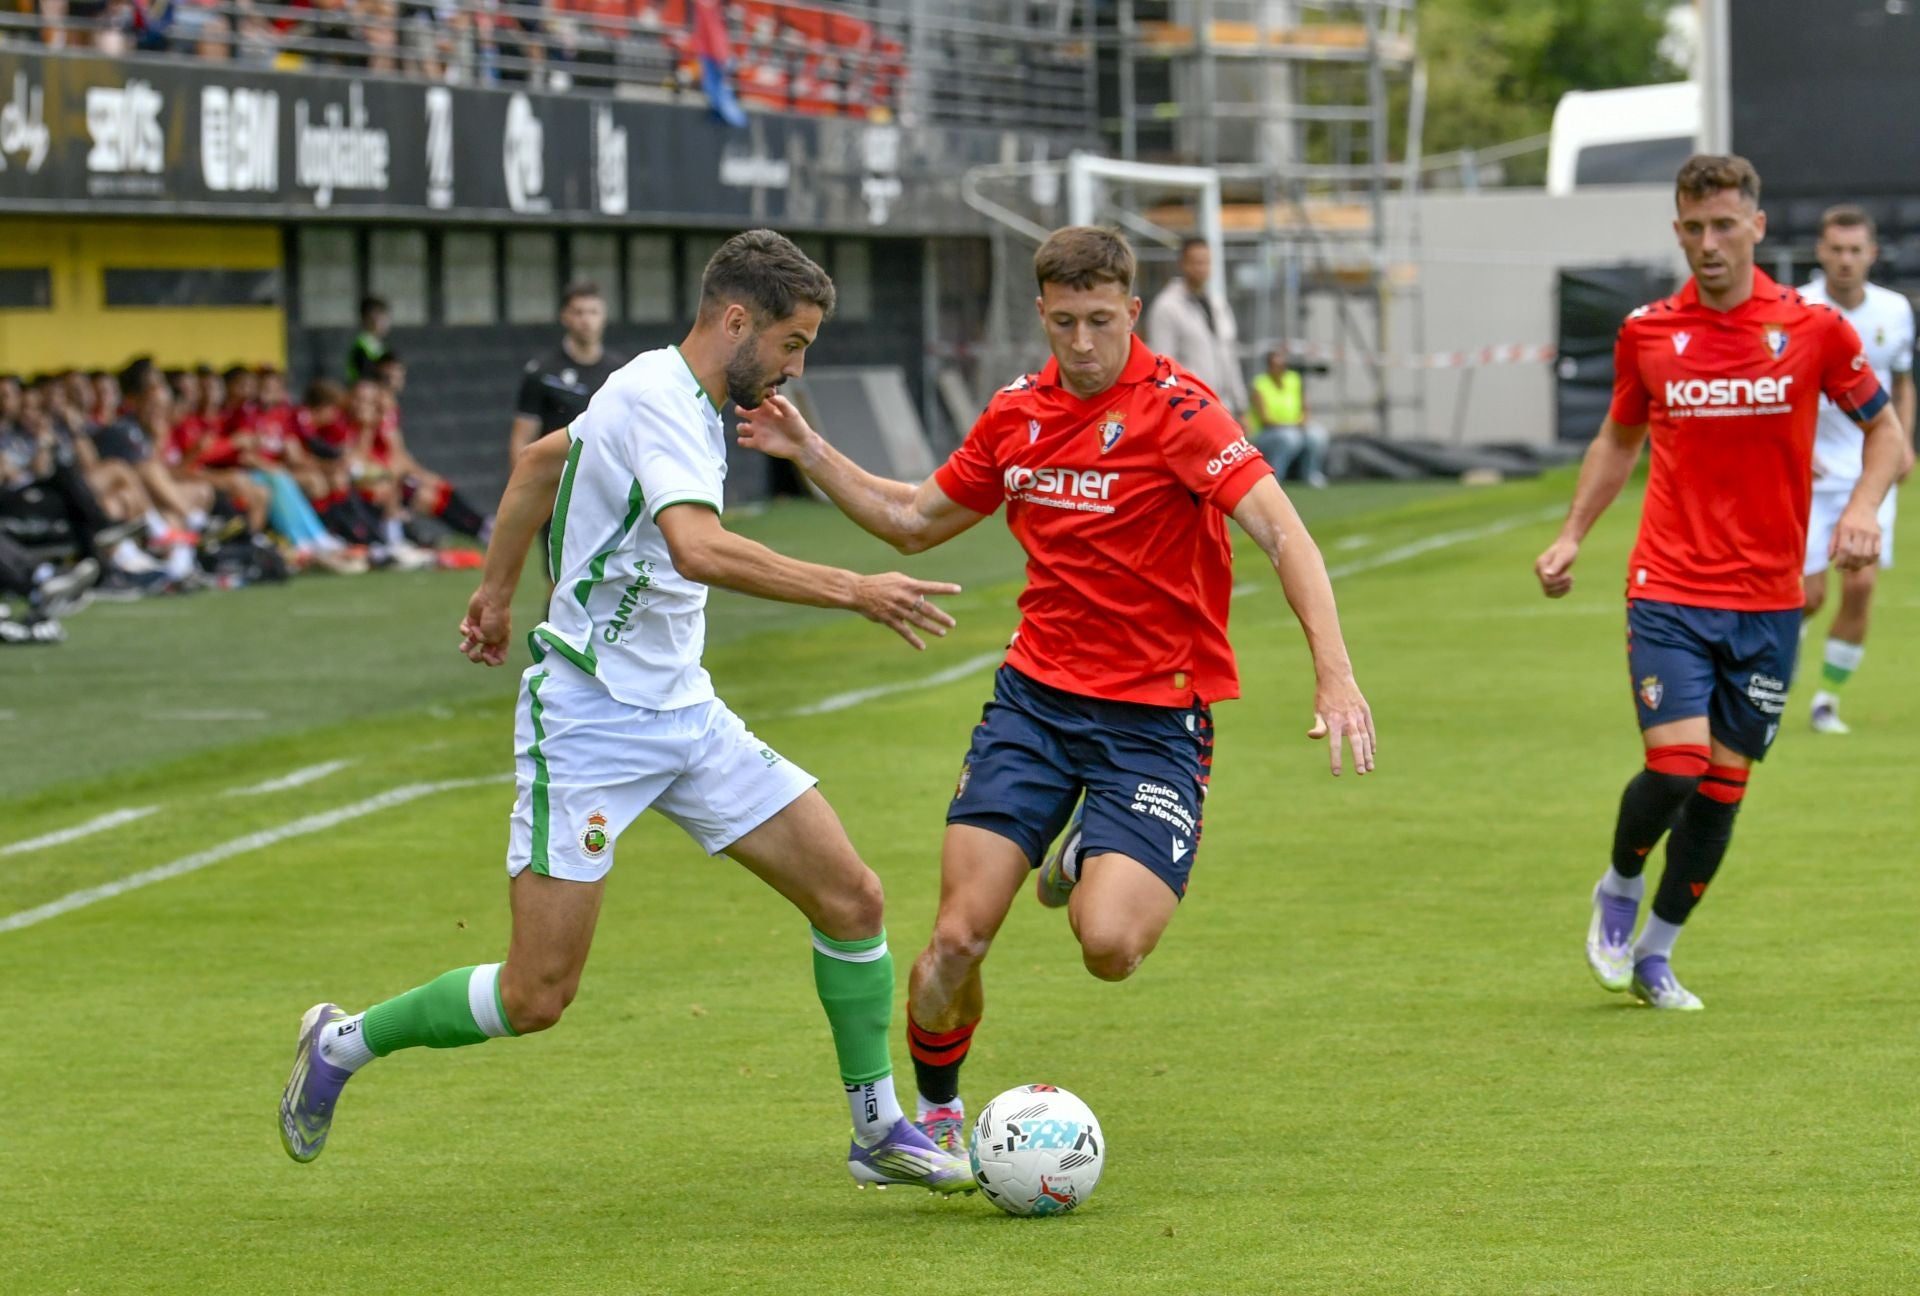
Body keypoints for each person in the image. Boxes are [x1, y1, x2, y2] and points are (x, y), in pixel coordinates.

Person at [278, 229, 976, 1195]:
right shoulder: (659, 401)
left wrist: (495, 590)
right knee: (536, 994)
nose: (794, 366)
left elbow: (535, 464)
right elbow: (698, 550)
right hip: (591, 720)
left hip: (685, 712)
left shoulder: (660, 385)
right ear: (737, 320)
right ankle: (343, 1043)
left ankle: (877, 1128)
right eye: (790, 343)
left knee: (852, 898)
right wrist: (856, 588)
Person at [735, 225, 1373, 1153]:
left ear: (1133, 313)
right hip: (1034, 708)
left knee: (1110, 947)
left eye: (1101, 322)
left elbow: (1284, 535)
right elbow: (913, 520)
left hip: (1154, 723)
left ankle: (1079, 860)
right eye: (1064, 322)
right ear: (1041, 312)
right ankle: (942, 1116)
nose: (1081, 344)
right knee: (954, 941)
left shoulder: (1183, 412)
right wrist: (811, 453)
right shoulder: (1014, 415)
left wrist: (1336, 673)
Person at [1535, 155, 1909, 1011]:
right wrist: (1571, 535)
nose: (1709, 243)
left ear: (1757, 228)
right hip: (1667, 583)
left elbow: (1885, 433)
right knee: (1675, 765)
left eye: (1724, 226)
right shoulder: (1648, 333)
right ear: (1678, 231)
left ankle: (1659, 952)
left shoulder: (1812, 328)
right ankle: (1622, 885)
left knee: (1723, 787)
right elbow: (1618, 441)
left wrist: (1860, 509)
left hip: (1771, 599)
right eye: (1693, 228)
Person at [1797, 205, 1916, 734]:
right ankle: (1777, 672)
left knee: (1862, 587)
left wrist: (1903, 444)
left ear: (1871, 254)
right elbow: (1783, 388)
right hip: (1811, 474)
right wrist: (1797, 447)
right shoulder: (1797, 307)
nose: (1845, 260)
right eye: (1836, 250)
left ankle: (1826, 700)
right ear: (1821, 253)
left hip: (1870, 471)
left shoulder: (1894, 310)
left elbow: (1902, 382)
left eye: (1855, 250)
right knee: (1807, 596)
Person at [510, 280, 629, 465]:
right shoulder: (542, 372)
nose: (586, 320)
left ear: (604, 316)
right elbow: (522, 440)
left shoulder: (621, 372)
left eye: (593, 312)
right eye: (578, 312)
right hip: (555, 479)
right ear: (565, 316)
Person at [1144, 236, 1248, 420]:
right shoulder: (1167, 307)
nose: (1201, 268)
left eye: (1206, 262)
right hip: (1190, 410)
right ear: (1182, 264)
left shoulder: (1217, 304)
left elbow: (1230, 357)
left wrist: (1241, 406)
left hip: (1223, 408)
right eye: (1195, 262)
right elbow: (1162, 367)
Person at [1246, 344, 1330, 488]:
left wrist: (1302, 421)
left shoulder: (1294, 380)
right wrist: (1292, 426)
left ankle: (1310, 474)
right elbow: (1266, 420)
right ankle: (1275, 476)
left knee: (1317, 435)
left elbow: (1305, 407)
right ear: (1269, 365)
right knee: (1289, 438)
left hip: (1294, 427)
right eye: (1276, 364)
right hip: (1267, 432)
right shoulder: (1260, 384)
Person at [346, 295, 391, 383]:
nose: (386, 322)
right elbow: (366, 378)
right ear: (368, 318)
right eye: (382, 317)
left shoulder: (379, 346)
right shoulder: (361, 347)